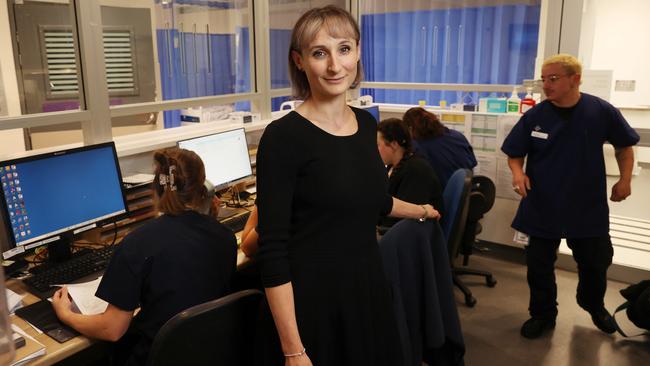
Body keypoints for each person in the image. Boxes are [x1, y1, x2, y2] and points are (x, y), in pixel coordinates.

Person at [255, 6, 440, 365]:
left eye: (344, 49)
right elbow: (272, 250)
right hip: (313, 308)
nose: (334, 66)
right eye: (319, 53)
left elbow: (372, 199)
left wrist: (422, 211)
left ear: (357, 52)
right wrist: (294, 350)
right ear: (300, 61)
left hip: (366, 292)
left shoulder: (365, 125)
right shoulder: (283, 137)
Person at [52, 148, 238, 365]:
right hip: (208, 354)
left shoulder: (137, 244)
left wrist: (66, 315)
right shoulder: (225, 236)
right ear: (203, 187)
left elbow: (112, 329)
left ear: (156, 189)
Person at [501, 54, 640, 339]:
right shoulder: (536, 116)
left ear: (574, 79)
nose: (546, 86)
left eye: (553, 79)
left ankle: (592, 303)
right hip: (542, 203)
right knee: (538, 265)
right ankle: (543, 313)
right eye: (544, 79)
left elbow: (624, 146)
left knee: (596, 261)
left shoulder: (600, 111)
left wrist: (625, 180)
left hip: (585, 205)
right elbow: (515, 152)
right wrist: (518, 173)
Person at [376, 117, 444, 230]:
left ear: (393, 144)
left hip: (417, 237)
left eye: (378, 144)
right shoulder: (396, 165)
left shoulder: (415, 171)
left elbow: (404, 220)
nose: (374, 149)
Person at [402, 107, 477, 187]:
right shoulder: (458, 136)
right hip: (470, 193)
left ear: (410, 129)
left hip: (443, 196)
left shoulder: (417, 147)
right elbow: (472, 164)